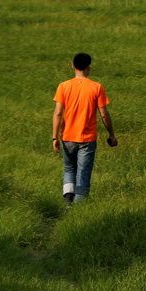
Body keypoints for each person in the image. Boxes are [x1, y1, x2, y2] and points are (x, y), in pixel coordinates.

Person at [52, 52, 117, 205]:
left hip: (67, 136)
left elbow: (58, 113)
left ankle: (68, 198)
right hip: (87, 139)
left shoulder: (63, 86)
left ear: (72, 66)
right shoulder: (96, 87)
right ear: (89, 67)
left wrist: (55, 137)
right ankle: (78, 207)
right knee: (83, 173)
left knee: (69, 169)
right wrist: (111, 134)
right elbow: (104, 114)